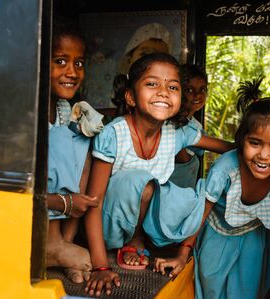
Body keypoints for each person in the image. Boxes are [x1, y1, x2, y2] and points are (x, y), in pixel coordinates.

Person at [84, 52, 234, 296]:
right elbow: (94, 202)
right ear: (131, 96)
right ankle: (134, 243)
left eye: (172, 86)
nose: (164, 92)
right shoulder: (114, 134)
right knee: (140, 181)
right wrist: (100, 265)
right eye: (152, 83)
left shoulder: (177, 132)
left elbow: (227, 148)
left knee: (196, 192)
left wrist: (257, 149)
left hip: (150, 225)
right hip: (109, 225)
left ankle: (159, 242)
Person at [154, 76, 270, 298]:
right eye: (255, 143)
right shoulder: (225, 168)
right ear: (242, 140)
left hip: (256, 239)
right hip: (216, 237)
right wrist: (183, 255)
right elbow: (202, 212)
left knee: (249, 292)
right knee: (212, 289)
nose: (263, 155)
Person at [46, 18, 104, 284]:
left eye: (78, 63)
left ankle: (63, 242)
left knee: (83, 140)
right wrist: (66, 202)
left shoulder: (62, 108)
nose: (71, 71)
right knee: (61, 138)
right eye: (60, 61)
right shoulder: (24, 113)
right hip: (22, 221)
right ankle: (51, 245)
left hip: (62, 211)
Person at [169, 64, 209, 188]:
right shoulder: (170, 123)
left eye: (202, 89)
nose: (197, 95)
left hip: (184, 197)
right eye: (190, 90)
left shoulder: (196, 125)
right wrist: (187, 159)